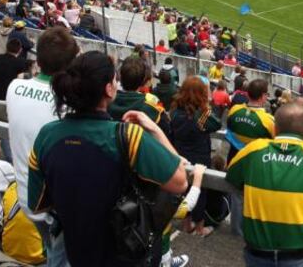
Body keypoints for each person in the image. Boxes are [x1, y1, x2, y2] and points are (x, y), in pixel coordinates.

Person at [28, 50, 188, 267]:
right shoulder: (128, 136)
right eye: (115, 79)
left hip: (77, 251)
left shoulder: (47, 135)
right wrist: (155, 131)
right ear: (108, 88)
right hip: (124, 253)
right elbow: (180, 181)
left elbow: (38, 204)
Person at [226, 102, 303, 267]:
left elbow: (232, 176)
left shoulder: (253, 149)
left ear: (275, 128)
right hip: (301, 255)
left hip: (257, 253)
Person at [6, 26, 79, 267]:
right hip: (54, 204)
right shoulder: (69, 105)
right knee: (63, 256)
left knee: (51, 248)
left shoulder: (14, 88)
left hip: (27, 196)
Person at [165, 77, 222, 237]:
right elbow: (217, 123)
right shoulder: (201, 115)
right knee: (200, 191)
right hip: (199, 158)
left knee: (184, 188)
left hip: (180, 155)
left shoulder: (175, 111)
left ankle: (186, 223)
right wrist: (207, 103)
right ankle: (198, 227)